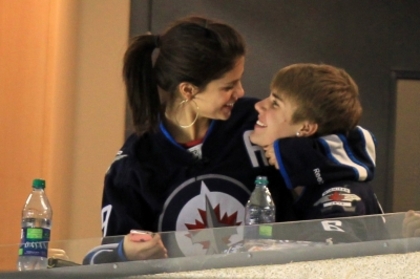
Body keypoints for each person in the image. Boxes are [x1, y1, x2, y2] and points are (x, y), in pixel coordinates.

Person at [85, 15, 298, 264]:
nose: (240, 92)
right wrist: (126, 253)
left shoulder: (259, 122)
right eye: (228, 86)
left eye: (240, 81)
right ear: (188, 90)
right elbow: (108, 256)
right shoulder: (135, 162)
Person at [249, 63, 388, 243]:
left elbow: (331, 260)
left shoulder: (340, 192)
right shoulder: (303, 177)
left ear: (305, 127)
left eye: (275, 103)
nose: (259, 105)